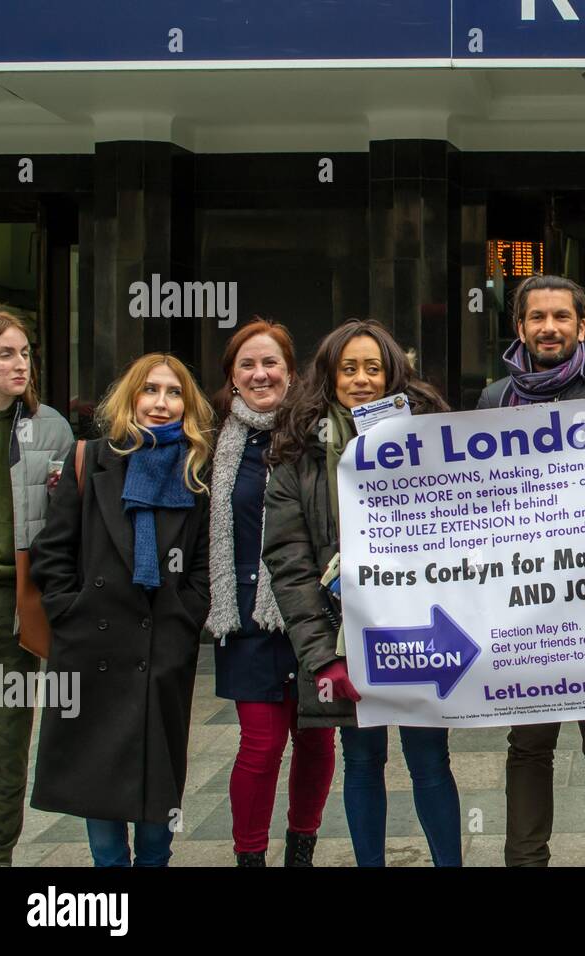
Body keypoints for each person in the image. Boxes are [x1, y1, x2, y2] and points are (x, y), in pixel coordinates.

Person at [263, 318, 462, 867]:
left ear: (393, 373)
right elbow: (289, 564)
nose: (361, 380)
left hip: (422, 633)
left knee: (429, 762)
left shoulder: (434, 437)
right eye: (348, 368)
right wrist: (323, 658)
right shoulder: (297, 451)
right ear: (329, 375)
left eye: (373, 367)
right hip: (343, 639)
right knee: (362, 761)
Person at [479, 274, 585, 867]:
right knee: (529, 745)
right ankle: (525, 861)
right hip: (528, 606)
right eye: (538, 317)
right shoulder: (495, 400)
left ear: (582, 325)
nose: (550, 327)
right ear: (519, 327)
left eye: (562, 317)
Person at [29, 353, 213, 867]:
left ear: (187, 404)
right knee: (99, 788)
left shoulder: (196, 471)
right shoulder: (91, 459)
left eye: (173, 392)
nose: (161, 402)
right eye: (150, 390)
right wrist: (72, 610)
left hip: (161, 652)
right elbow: (53, 551)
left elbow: (203, 561)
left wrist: (186, 615)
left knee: (159, 798)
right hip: (93, 650)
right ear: (130, 397)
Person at [206, 319, 335, 867]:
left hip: (312, 613)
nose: (260, 374)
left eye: (271, 363)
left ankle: (301, 848)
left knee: (316, 742)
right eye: (247, 365)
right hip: (245, 617)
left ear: (290, 370)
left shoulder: (315, 432)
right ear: (232, 377)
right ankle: (250, 857)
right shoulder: (210, 439)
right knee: (259, 746)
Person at [0, 310, 73, 866]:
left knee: (8, 736)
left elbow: (66, 521)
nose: (20, 364)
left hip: (13, 599)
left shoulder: (50, 426)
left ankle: (0, 854)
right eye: (4, 354)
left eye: (25, 353)